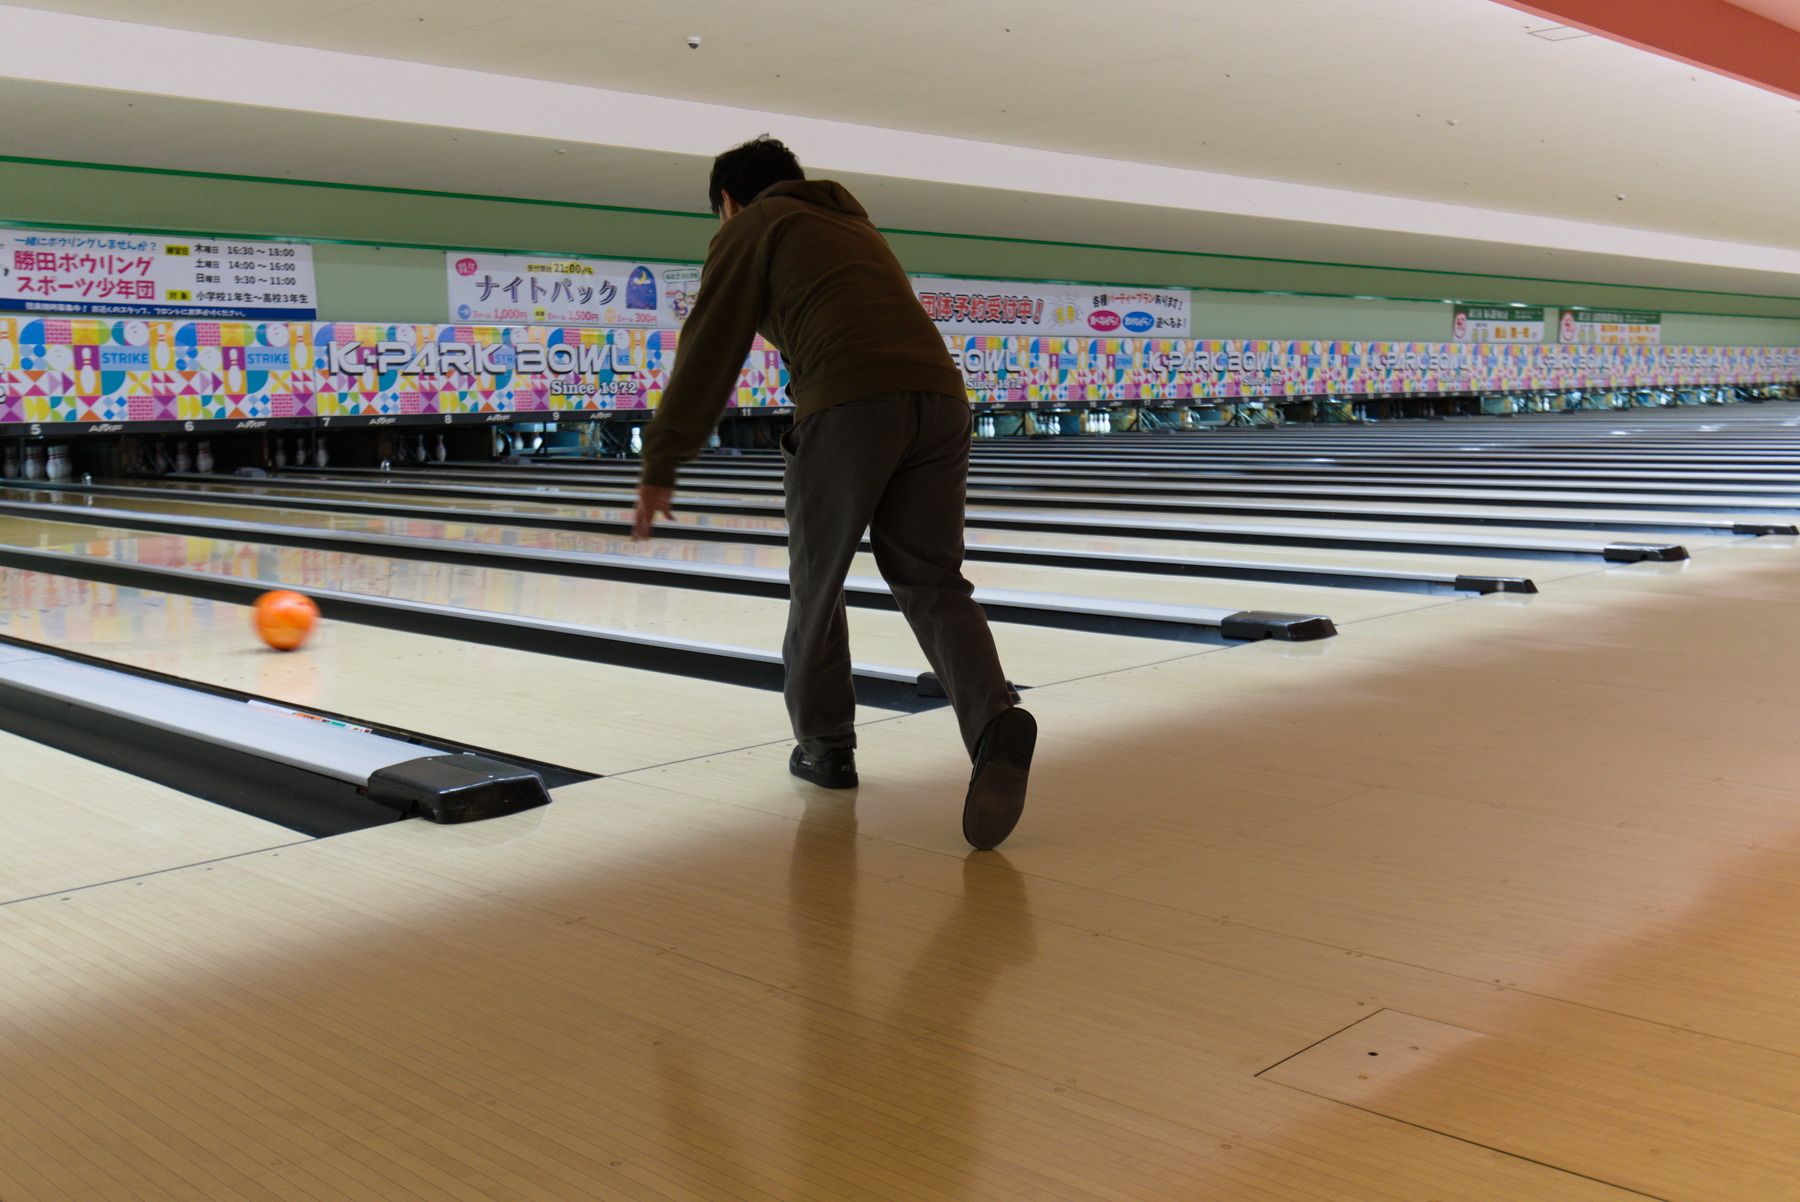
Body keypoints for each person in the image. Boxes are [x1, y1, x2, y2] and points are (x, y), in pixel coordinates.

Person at [632, 135, 1035, 851]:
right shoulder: (854, 225)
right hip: (943, 401)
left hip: (849, 406)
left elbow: (711, 343)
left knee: (818, 582)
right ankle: (992, 720)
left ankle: (826, 748)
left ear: (727, 202)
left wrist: (662, 457)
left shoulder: (753, 225)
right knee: (933, 580)